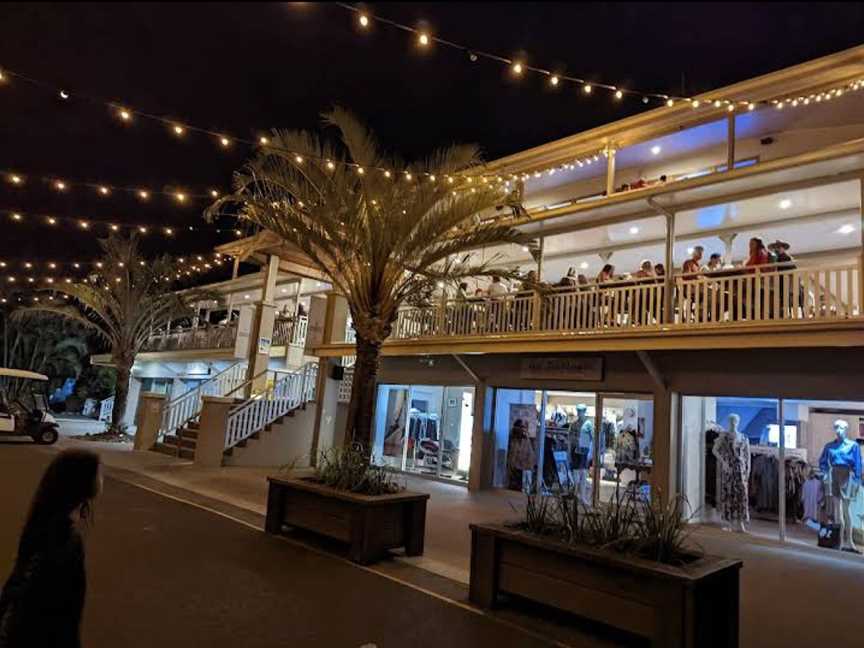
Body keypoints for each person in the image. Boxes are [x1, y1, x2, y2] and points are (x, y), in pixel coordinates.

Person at [0, 450, 102, 647]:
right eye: (98, 472)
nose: (101, 478)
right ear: (81, 482)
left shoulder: (43, 523)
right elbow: (62, 612)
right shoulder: (64, 541)